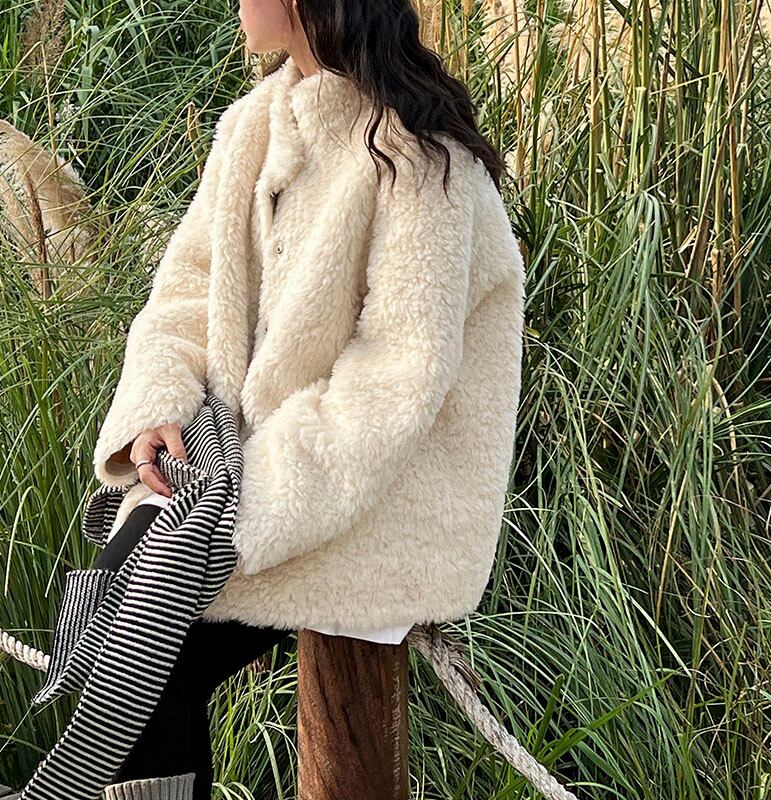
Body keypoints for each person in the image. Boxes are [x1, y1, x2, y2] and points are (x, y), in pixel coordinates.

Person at [91, 0, 526, 797]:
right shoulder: (253, 124)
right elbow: (188, 291)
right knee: (118, 614)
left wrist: (247, 508)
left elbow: (393, 382)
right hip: (265, 471)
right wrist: (158, 407)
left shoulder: (418, 157)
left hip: (381, 504)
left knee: (141, 650)